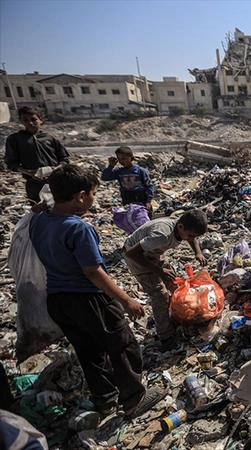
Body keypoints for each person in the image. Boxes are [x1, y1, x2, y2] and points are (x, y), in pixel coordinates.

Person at [28, 165, 162, 418]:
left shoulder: (39, 220)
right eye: (93, 193)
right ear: (80, 196)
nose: (94, 199)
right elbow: (93, 272)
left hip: (57, 301)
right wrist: (125, 300)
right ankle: (134, 400)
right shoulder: (79, 228)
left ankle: (105, 400)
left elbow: (44, 216)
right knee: (122, 345)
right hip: (88, 299)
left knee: (88, 351)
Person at [122, 210, 208, 351]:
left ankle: (181, 316)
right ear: (180, 227)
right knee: (160, 295)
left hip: (154, 253)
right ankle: (165, 337)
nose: (191, 238)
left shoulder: (181, 228)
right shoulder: (161, 235)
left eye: (195, 236)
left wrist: (197, 252)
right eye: (190, 235)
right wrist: (159, 271)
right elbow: (131, 253)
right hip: (137, 258)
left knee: (176, 285)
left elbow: (193, 237)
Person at [4, 106, 70, 203]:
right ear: (21, 121)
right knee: (39, 210)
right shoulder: (15, 139)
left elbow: (64, 158)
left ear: (40, 120)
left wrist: (57, 169)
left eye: (33, 119)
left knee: (61, 208)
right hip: (34, 185)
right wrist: (29, 172)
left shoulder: (50, 138)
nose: (30, 122)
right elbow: (11, 163)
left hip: (56, 182)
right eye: (25, 120)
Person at [101, 146, 155, 212]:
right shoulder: (119, 171)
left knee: (142, 216)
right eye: (119, 159)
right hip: (126, 196)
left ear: (132, 158)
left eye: (124, 158)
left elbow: (149, 186)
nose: (121, 161)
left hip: (140, 196)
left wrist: (148, 201)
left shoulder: (140, 171)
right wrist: (111, 166)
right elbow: (105, 177)